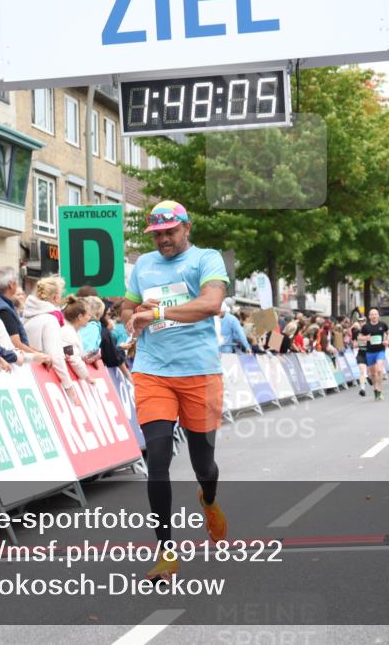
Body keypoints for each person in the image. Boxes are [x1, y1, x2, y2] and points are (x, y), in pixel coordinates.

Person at [120, 201, 229, 582]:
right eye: (158, 234)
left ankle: (209, 500)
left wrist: (160, 312)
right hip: (153, 372)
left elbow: (211, 303)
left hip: (199, 371)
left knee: (204, 465)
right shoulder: (144, 265)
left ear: (187, 228)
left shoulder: (206, 259)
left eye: (171, 232)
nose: (164, 240)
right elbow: (126, 309)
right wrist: (136, 312)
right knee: (158, 458)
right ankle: (166, 553)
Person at [21, 276, 82, 404]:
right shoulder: (50, 320)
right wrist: (69, 388)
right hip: (44, 379)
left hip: (28, 375)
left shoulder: (28, 315)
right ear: (55, 297)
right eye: (60, 295)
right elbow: (56, 357)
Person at [0, 266, 40, 356]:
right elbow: (16, 344)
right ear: (11, 285)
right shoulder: (3, 310)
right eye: (17, 282)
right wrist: (40, 356)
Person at [357, 308, 389, 401]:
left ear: (378, 315)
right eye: (372, 314)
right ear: (369, 316)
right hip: (370, 352)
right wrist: (365, 338)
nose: (374, 316)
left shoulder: (383, 325)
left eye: (375, 314)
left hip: (380, 350)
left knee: (379, 370)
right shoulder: (365, 327)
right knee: (372, 374)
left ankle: (379, 391)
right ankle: (375, 390)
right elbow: (359, 337)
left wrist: (387, 340)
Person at [350, 315, 369, 395]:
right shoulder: (356, 332)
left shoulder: (370, 330)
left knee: (370, 373)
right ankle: (362, 389)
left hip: (370, 353)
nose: (361, 323)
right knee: (362, 370)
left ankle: (369, 379)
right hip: (361, 353)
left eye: (363, 321)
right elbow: (354, 344)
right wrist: (357, 343)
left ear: (366, 321)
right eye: (360, 321)